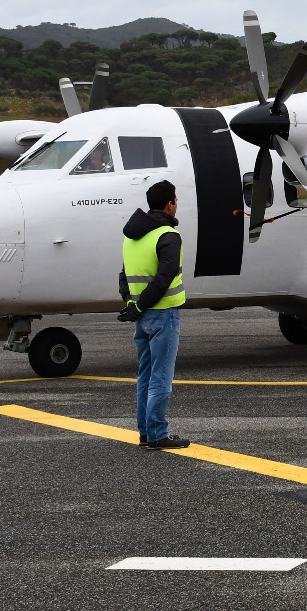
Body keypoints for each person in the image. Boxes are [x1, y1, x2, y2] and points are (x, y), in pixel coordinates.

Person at [117, 180, 191, 450]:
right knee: (161, 376)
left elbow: (124, 276)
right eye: (176, 201)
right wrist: (142, 305)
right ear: (170, 204)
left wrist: (133, 304)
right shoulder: (168, 236)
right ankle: (158, 432)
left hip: (141, 317)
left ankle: (146, 432)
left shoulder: (132, 236)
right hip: (163, 315)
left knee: (146, 376)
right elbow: (164, 277)